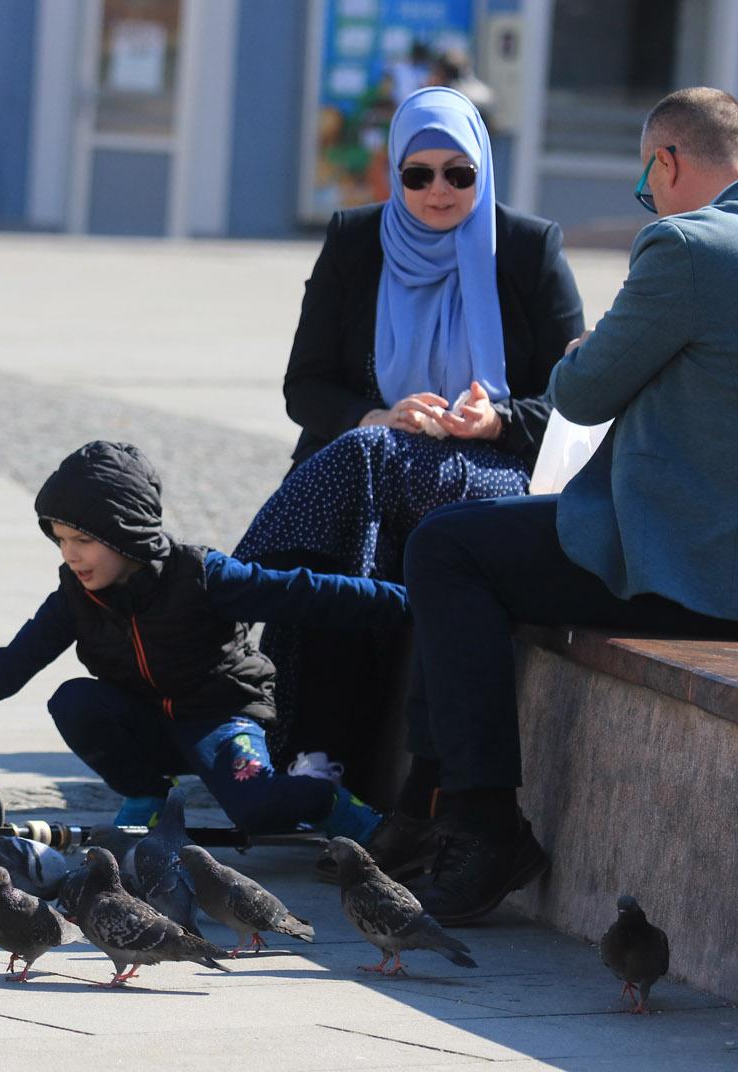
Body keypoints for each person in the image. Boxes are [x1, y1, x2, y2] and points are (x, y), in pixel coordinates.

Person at [392, 87, 738, 925]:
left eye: (650, 183)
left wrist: (587, 344)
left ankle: (478, 820)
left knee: (449, 546)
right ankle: (425, 802)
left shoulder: (689, 244)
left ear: (669, 161)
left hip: (714, 574)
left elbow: (582, 388)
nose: (651, 201)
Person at [234, 87, 583, 793]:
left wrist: (498, 419)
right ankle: (322, 755)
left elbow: (576, 396)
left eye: (460, 174)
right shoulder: (355, 242)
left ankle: (234, 603)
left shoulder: (526, 248)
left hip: (485, 464)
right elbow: (306, 387)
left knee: (362, 481)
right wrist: (377, 417)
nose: (439, 191)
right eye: (417, 174)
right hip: (371, 451)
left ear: (485, 171)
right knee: (362, 490)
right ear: (395, 173)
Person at [0, 441, 411, 842]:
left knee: (259, 813)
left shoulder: (200, 576)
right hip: (148, 721)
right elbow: (15, 661)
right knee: (75, 700)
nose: (70, 555)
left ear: (128, 534)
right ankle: (147, 794)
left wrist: (411, 601)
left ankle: (332, 802)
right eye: (60, 540)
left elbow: (304, 593)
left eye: (83, 540)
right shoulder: (77, 594)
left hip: (220, 718)